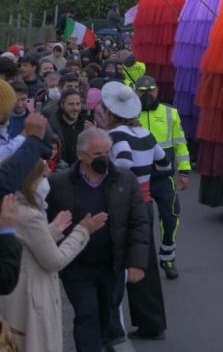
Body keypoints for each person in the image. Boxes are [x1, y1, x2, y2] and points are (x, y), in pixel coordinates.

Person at [49, 128, 149, 352]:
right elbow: (48, 225)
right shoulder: (59, 183)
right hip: (76, 267)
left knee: (106, 315)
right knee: (87, 315)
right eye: (97, 155)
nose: (104, 159)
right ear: (81, 155)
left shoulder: (125, 179)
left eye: (107, 152)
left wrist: (136, 263)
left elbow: (139, 222)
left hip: (112, 265)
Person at [0, 157, 107, 352]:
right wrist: (82, 231)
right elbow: (54, 260)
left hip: (16, 298)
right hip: (32, 300)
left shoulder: (11, 208)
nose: (46, 179)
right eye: (41, 176)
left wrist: (53, 230)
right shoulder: (28, 214)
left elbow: (25, 245)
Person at [102, 82, 168, 340]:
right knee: (145, 261)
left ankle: (114, 328)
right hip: (147, 203)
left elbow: (124, 163)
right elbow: (164, 164)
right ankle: (152, 322)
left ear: (110, 111)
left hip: (126, 204)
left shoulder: (117, 135)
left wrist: (108, 173)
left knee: (118, 261)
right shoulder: (146, 135)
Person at [134, 76, 191, 280]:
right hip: (137, 178)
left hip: (164, 177)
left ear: (157, 91)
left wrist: (184, 171)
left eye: (151, 90)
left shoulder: (171, 112)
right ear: (135, 92)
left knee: (171, 217)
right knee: (139, 222)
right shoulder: (127, 114)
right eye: (142, 91)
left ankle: (168, 258)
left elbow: (180, 144)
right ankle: (138, 261)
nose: (147, 94)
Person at [46, 89, 92, 171]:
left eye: (78, 104)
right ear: (62, 105)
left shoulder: (87, 123)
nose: (75, 108)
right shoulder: (51, 125)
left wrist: (91, 135)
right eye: (71, 104)